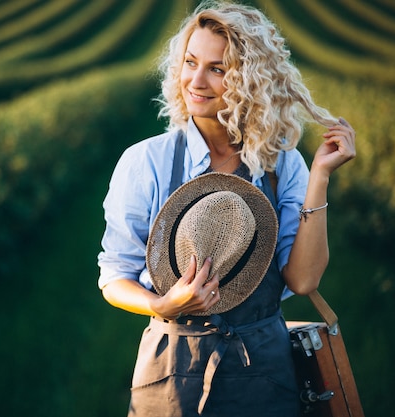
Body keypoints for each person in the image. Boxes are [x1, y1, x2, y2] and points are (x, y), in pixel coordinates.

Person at [97, 1, 356, 416]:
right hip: (171, 371)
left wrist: (320, 176)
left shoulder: (282, 164)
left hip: (264, 370)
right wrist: (161, 305)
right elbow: (114, 276)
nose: (195, 81)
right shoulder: (147, 161)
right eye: (189, 62)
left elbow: (304, 279)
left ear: (251, 81)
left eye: (217, 69)